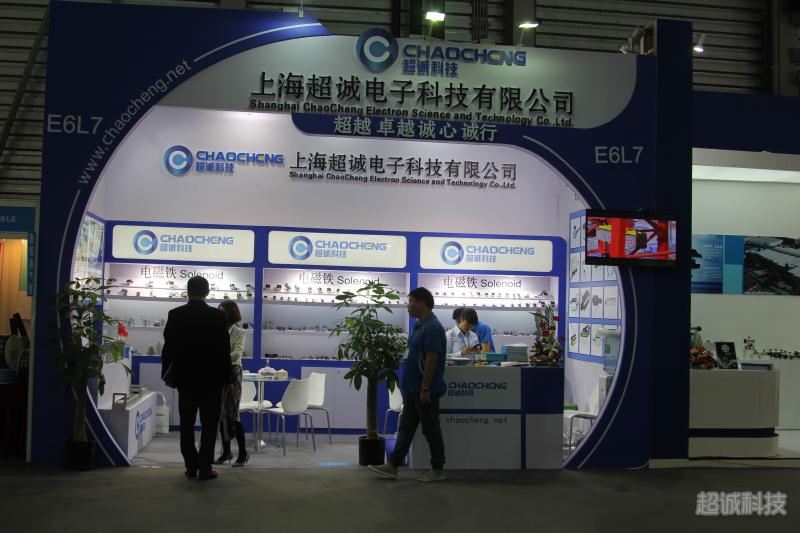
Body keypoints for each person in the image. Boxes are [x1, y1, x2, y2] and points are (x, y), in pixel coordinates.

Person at [368, 287, 447, 482]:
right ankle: (393, 466)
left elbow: (432, 359)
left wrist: (425, 388)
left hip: (424, 390)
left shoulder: (432, 327)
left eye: (411, 301)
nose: (408, 305)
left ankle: (438, 469)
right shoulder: (420, 325)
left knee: (431, 430)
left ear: (422, 302)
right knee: (406, 427)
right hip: (412, 388)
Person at [161, 276, 232, 481]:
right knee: (209, 424)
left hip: (185, 379)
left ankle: (191, 466)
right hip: (212, 380)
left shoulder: (175, 314)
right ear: (207, 292)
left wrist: (168, 375)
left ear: (187, 291)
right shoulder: (218, 316)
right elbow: (224, 351)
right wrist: (228, 379)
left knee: (186, 424)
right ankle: (205, 467)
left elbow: (168, 349)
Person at [215, 300, 249, 467]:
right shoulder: (215, 330)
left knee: (233, 413)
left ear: (231, 313)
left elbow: (237, 354)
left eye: (223, 311)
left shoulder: (239, 332)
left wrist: (219, 358)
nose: (220, 314)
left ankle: (243, 453)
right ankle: (227, 452)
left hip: (233, 372)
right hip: (218, 372)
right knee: (221, 413)